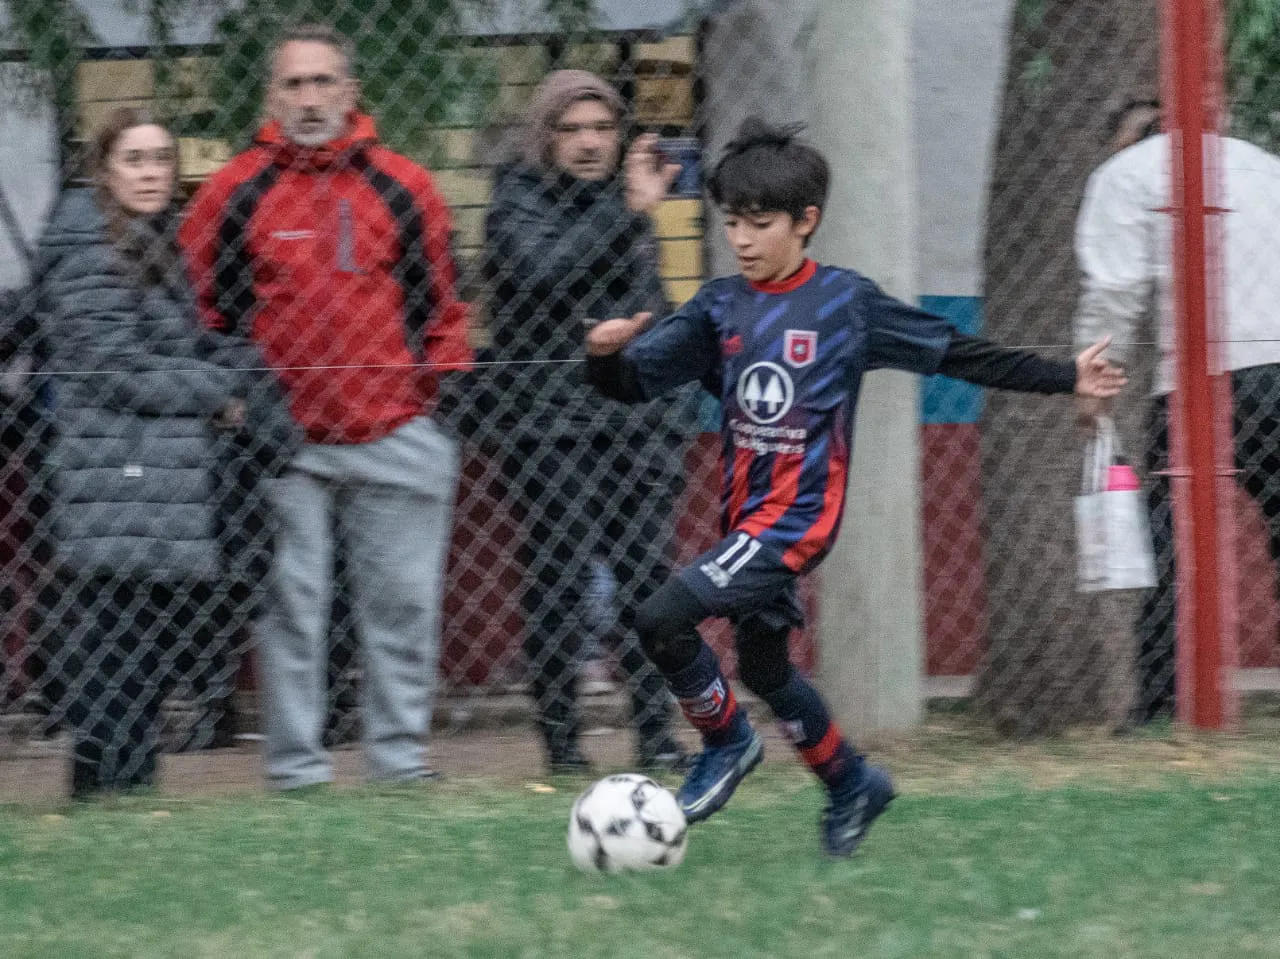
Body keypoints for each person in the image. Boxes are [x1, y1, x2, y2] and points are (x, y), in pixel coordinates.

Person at [585, 119, 1126, 857]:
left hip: (795, 520)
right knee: (765, 665)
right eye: (732, 222)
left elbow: (959, 354)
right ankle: (851, 783)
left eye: (760, 223)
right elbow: (632, 384)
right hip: (746, 518)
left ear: (807, 221)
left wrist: (1066, 376)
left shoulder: (846, 306)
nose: (742, 239)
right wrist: (603, 358)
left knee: (658, 618)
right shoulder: (718, 307)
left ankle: (726, 740)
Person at [181, 24, 472, 790]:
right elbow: (196, 309)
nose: (309, 98)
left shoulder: (405, 186)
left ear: (351, 92)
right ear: (271, 96)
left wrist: (436, 408)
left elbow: (445, 307)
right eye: (294, 84)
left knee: (403, 610)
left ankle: (400, 764)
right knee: (290, 616)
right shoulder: (232, 191)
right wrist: (233, 403)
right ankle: (298, 773)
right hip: (285, 443)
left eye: (323, 83)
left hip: (397, 428)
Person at [30, 107, 254, 795]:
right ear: (103, 169)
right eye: (134, 159)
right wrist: (214, 388)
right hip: (114, 476)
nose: (152, 172)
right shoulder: (94, 251)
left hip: (147, 479)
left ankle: (126, 788)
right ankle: (108, 791)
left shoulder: (149, 242)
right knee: (114, 654)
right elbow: (114, 368)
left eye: (162, 158)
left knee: (135, 654)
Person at [475, 70, 692, 772]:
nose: (590, 142)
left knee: (647, 582)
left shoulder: (628, 204)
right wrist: (629, 211)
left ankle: (657, 735)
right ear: (545, 136)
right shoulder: (516, 199)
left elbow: (650, 308)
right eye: (572, 129)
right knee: (559, 579)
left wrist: (668, 413)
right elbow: (544, 272)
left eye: (602, 127)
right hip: (550, 426)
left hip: (633, 419)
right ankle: (562, 746)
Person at [1073, 103, 1280, 726]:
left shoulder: (1126, 173)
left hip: (1202, 379)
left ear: (1127, 137)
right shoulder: (1261, 166)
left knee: (1169, 539)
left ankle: (1159, 702)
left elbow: (1115, 288)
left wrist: (1095, 379)